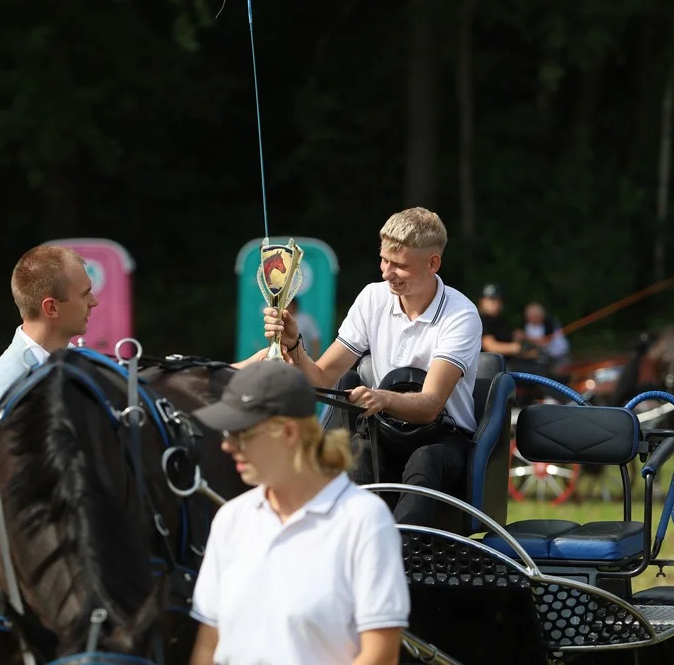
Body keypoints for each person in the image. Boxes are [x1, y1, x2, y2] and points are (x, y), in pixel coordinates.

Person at [263, 207, 482, 526]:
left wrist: (382, 399)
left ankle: (401, 556)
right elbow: (321, 376)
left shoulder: (461, 315)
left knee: (425, 460)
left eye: (400, 265)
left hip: (445, 438)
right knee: (357, 454)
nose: (386, 273)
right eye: (384, 260)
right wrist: (294, 343)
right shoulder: (372, 298)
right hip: (385, 432)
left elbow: (430, 407)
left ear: (432, 263)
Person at [187, 360, 409, 665]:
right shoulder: (231, 519)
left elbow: (380, 655)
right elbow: (206, 648)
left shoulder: (364, 520)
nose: (228, 445)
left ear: (289, 433)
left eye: (242, 433)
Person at [0, 244, 100, 413]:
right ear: (52, 308)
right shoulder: (8, 382)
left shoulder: (82, 363)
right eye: (85, 293)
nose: (94, 302)